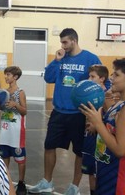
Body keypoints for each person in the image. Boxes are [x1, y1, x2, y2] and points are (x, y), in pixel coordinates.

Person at [29, 28, 102, 195]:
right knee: (49, 146)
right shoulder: (61, 58)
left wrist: (93, 116)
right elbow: (48, 78)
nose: (62, 45)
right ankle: (47, 181)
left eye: (65, 42)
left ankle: (74, 187)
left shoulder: (90, 58)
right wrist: (56, 61)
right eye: (61, 42)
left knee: (79, 152)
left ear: (74, 41)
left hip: (80, 114)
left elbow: (100, 83)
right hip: (59, 111)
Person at [79, 58, 125, 195]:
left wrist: (98, 124)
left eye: (116, 75)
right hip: (105, 170)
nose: (112, 78)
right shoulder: (117, 105)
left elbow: (120, 150)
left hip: (116, 177)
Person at [0, 66, 27, 195]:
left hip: (16, 131)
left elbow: (25, 111)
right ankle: (5, 180)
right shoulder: (4, 92)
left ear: (15, 77)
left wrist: (15, 104)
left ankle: (21, 183)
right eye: (5, 74)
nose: (6, 77)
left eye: (8, 75)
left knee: (20, 159)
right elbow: (1, 108)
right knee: (4, 156)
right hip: (5, 130)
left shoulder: (20, 92)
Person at [82, 65, 109, 195]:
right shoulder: (91, 94)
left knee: (99, 169)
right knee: (90, 169)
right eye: (89, 76)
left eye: (92, 77)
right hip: (89, 136)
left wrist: (97, 125)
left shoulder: (107, 96)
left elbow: (109, 119)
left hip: (101, 139)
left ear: (102, 79)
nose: (89, 79)